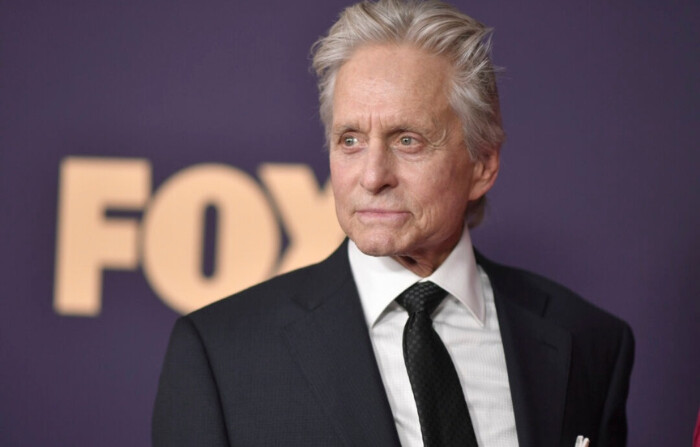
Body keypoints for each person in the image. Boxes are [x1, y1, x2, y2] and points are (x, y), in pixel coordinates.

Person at [152, 1, 634, 446]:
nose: (373, 176)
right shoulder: (221, 354)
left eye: (408, 140)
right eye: (350, 140)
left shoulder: (588, 342)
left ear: (483, 163)